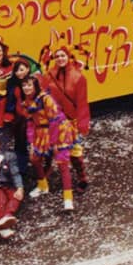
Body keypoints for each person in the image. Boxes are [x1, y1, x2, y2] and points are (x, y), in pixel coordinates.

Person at [21, 75, 76, 211]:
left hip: (58, 131)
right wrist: (31, 142)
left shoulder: (46, 99)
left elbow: (54, 121)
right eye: (24, 85)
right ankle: (43, 186)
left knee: (62, 164)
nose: (26, 88)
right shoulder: (26, 102)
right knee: (34, 158)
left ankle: (68, 199)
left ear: (36, 86)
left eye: (29, 85)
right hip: (41, 131)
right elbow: (30, 123)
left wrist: (54, 142)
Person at [41, 45, 91, 193]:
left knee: (75, 151)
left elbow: (82, 102)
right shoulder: (48, 76)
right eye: (57, 56)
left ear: (68, 57)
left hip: (71, 122)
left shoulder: (78, 77)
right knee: (50, 147)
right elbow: (43, 97)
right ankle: (46, 171)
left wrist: (83, 122)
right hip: (54, 121)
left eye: (63, 55)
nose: (60, 59)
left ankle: (82, 177)